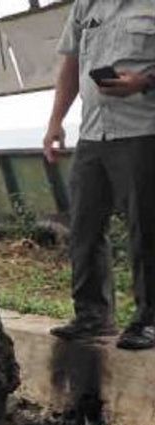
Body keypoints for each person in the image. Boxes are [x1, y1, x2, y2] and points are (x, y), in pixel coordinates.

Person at [44, 1, 155, 349]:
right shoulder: (86, 5)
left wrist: (144, 82)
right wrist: (55, 121)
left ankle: (149, 321)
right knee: (84, 227)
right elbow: (72, 64)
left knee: (146, 228)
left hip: (144, 131)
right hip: (93, 134)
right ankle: (92, 316)